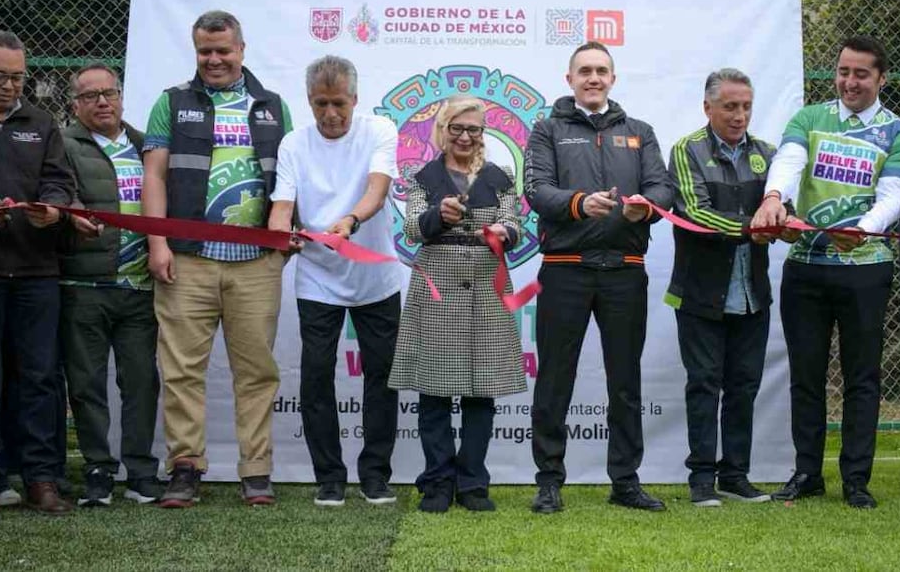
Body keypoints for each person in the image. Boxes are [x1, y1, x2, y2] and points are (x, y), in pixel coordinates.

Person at [751, 35, 900, 509]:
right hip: (805, 266)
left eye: (861, 74)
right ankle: (807, 473)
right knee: (806, 376)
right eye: (844, 71)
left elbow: (894, 195)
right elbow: (788, 162)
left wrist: (864, 230)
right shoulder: (810, 117)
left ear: (881, 78)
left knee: (861, 378)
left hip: (865, 270)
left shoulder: (898, 133)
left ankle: (856, 480)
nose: (849, 82)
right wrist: (774, 198)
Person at [141, 11, 293, 507]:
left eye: (223, 50)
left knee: (257, 371)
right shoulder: (171, 102)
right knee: (182, 369)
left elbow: (289, 183)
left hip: (255, 261)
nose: (214, 59)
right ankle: (185, 467)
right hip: (188, 259)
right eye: (205, 51)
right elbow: (155, 177)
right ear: (195, 51)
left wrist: (281, 242)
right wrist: (157, 243)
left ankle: (256, 471)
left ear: (242, 49)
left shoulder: (273, 106)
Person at [524, 40, 673, 513]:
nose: (593, 78)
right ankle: (549, 481)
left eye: (601, 70)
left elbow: (662, 190)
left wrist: (643, 209)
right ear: (570, 79)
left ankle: (625, 481)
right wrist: (578, 204)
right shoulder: (546, 130)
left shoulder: (640, 132)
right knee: (554, 380)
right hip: (565, 271)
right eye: (584, 70)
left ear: (613, 78)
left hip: (625, 274)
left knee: (625, 381)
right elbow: (537, 191)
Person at [268, 55, 402, 508]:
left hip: (375, 276)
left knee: (382, 376)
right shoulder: (293, 143)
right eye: (321, 103)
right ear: (308, 100)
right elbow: (282, 206)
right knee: (317, 375)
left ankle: (375, 475)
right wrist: (279, 237)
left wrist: (349, 221)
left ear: (355, 100)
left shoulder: (380, 130)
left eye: (338, 104)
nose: (330, 114)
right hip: (317, 280)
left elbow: (377, 190)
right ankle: (329, 477)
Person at [389, 94, 527, 513]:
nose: (465, 136)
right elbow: (413, 227)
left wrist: (505, 231)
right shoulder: (423, 177)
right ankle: (436, 483)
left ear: (482, 133)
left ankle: (473, 484)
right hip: (437, 288)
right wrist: (439, 215)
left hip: (486, 288)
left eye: (473, 129)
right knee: (432, 393)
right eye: (457, 128)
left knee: (481, 395)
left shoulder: (501, 176)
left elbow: (515, 222)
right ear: (443, 131)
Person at [665, 69, 779, 507]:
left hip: (753, 293)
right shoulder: (686, 150)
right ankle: (700, 480)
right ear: (707, 107)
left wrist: (782, 220)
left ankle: (735, 475)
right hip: (698, 293)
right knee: (703, 384)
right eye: (730, 106)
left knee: (744, 385)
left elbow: (781, 203)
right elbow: (695, 212)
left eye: (746, 106)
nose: (739, 115)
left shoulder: (767, 153)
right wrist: (753, 227)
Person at [58, 63, 163, 507]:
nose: (103, 102)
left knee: (141, 382)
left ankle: (140, 470)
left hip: (140, 287)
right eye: (91, 96)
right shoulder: (62, 145)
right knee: (86, 383)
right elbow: (54, 190)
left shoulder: (147, 146)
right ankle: (98, 468)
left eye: (110, 92)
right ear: (75, 105)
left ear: (122, 96)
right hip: (85, 284)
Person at [0, 29, 76, 516]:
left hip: (37, 272)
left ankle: (42, 478)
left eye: (17, 77)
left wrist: (55, 208)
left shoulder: (42, 122)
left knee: (42, 378)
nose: (8, 86)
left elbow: (60, 182)